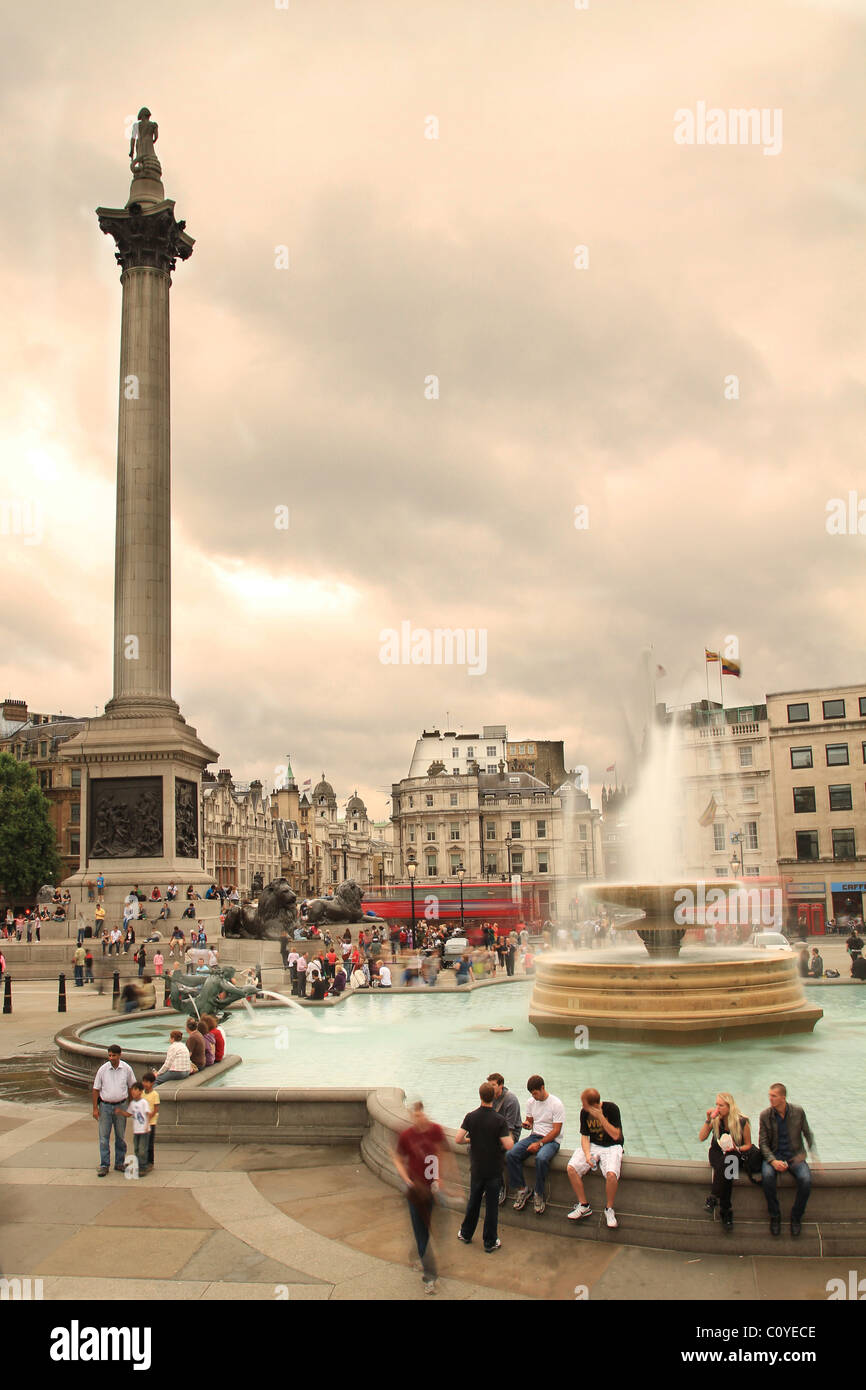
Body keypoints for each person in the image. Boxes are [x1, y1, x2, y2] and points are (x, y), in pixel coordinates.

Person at [393, 1101, 452, 1294]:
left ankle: (416, 1253)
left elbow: (440, 1152)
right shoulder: (406, 1136)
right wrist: (407, 1181)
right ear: (412, 1117)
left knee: (427, 1227)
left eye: (421, 1115)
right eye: (415, 1116)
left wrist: (437, 1177)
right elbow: (398, 1159)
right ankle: (430, 1277)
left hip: (432, 1189)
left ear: (424, 1114)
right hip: (415, 1192)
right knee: (422, 1233)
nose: (419, 1119)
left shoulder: (435, 1130)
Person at [455, 1081, 514, 1252]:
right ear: (494, 1097)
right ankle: (489, 1241)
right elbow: (509, 1145)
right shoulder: (499, 1120)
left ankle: (466, 1233)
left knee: (473, 1201)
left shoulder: (471, 1116)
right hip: (494, 1169)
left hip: (477, 1168)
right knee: (491, 1207)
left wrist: (471, 1139)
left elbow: (458, 1139)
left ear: (480, 1096)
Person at [759, 1082, 817, 1237]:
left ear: (783, 1098)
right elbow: (763, 1144)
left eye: (774, 1096)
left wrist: (812, 1153)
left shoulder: (798, 1112)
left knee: (806, 1180)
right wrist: (772, 1161)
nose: (770, 1098)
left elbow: (807, 1133)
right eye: (769, 1095)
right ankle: (775, 1216)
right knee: (768, 1177)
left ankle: (796, 1217)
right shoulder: (765, 1115)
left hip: (794, 1157)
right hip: (773, 1155)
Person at [566, 1087, 624, 1229]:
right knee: (571, 1168)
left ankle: (609, 1209)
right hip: (593, 1145)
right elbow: (585, 1136)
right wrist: (587, 1155)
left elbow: (616, 1135)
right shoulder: (584, 1113)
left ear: (592, 1104)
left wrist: (601, 1117)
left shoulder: (612, 1109)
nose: (582, 1106)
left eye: (584, 1103)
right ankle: (584, 1205)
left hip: (613, 1146)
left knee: (611, 1174)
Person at [506, 1074, 565, 1215]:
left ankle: (539, 1193)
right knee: (511, 1154)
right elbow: (530, 1121)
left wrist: (539, 1144)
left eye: (535, 1093)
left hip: (551, 1140)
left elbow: (556, 1131)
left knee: (541, 1159)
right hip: (534, 1136)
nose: (534, 1097)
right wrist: (527, 1125)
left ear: (542, 1088)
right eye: (532, 1094)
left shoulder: (556, 1104)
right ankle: (522, 1189)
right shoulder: (531, 1102)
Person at [698, 1092, 753, 1232]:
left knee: (731, 1159)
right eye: (716, 1104)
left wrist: (736, 1147)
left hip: (734, 1154)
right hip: (717, 1153)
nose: (718, 1108)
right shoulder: (715, 1120)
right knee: (728, 1168)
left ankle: (713, 1198)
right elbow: (702, 1137)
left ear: (729, 1106)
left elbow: (748, 1145)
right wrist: (708, 1120)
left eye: (721, 1105)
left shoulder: (742, 1121)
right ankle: (726, 1211)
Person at [92, 1045, 137, 1175]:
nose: (111, 1058)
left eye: (114, 1055)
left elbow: (131, 1087)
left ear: (119, 1055)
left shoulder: (127, 1069)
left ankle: (119, 1163)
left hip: (121, 1105)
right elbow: (96, 1089)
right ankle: (104, 1164)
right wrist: (95, 1108)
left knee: (120, 1136)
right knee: (103, 1137)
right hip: (105, 1106)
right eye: (110, 1055)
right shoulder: (103, 1070)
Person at [488, 1073, 522, 1203]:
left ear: (501, 1085)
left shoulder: (510, 1100)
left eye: (493, 1085)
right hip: (496, 1132)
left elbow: (509, 1128)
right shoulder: (490, 1097)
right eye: (489, 1085)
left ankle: (500, 1185)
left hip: (510, 1134)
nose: (491, 1088)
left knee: (494, 1150)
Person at [121, 1082, 152, 1176]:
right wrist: (120, 1112)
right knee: (137, 1148)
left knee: (143, 1149)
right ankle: (138, 1164)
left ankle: (143, 1166)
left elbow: (148, 1114)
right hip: (136, 1130)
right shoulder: (132, 1103)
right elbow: (128, 1114)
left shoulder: (143, 1102)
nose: (133, 1092)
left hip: (144, 1130)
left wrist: (147, 1125)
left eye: (135, 1090)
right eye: (132, 1090)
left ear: (140, 1091)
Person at [141, 1072, 160, 1171]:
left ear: (152, 1083)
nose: (145, 1084)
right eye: (144, 1081)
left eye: (147, 1082)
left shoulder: (155, 1094)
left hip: (151, 1122)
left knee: (149, 1143)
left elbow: (156, 1108)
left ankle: (150, 1162)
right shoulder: (142, 1093)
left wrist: (149, 1118)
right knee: (142, 1143)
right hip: (142, 1122)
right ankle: (142, 1161)